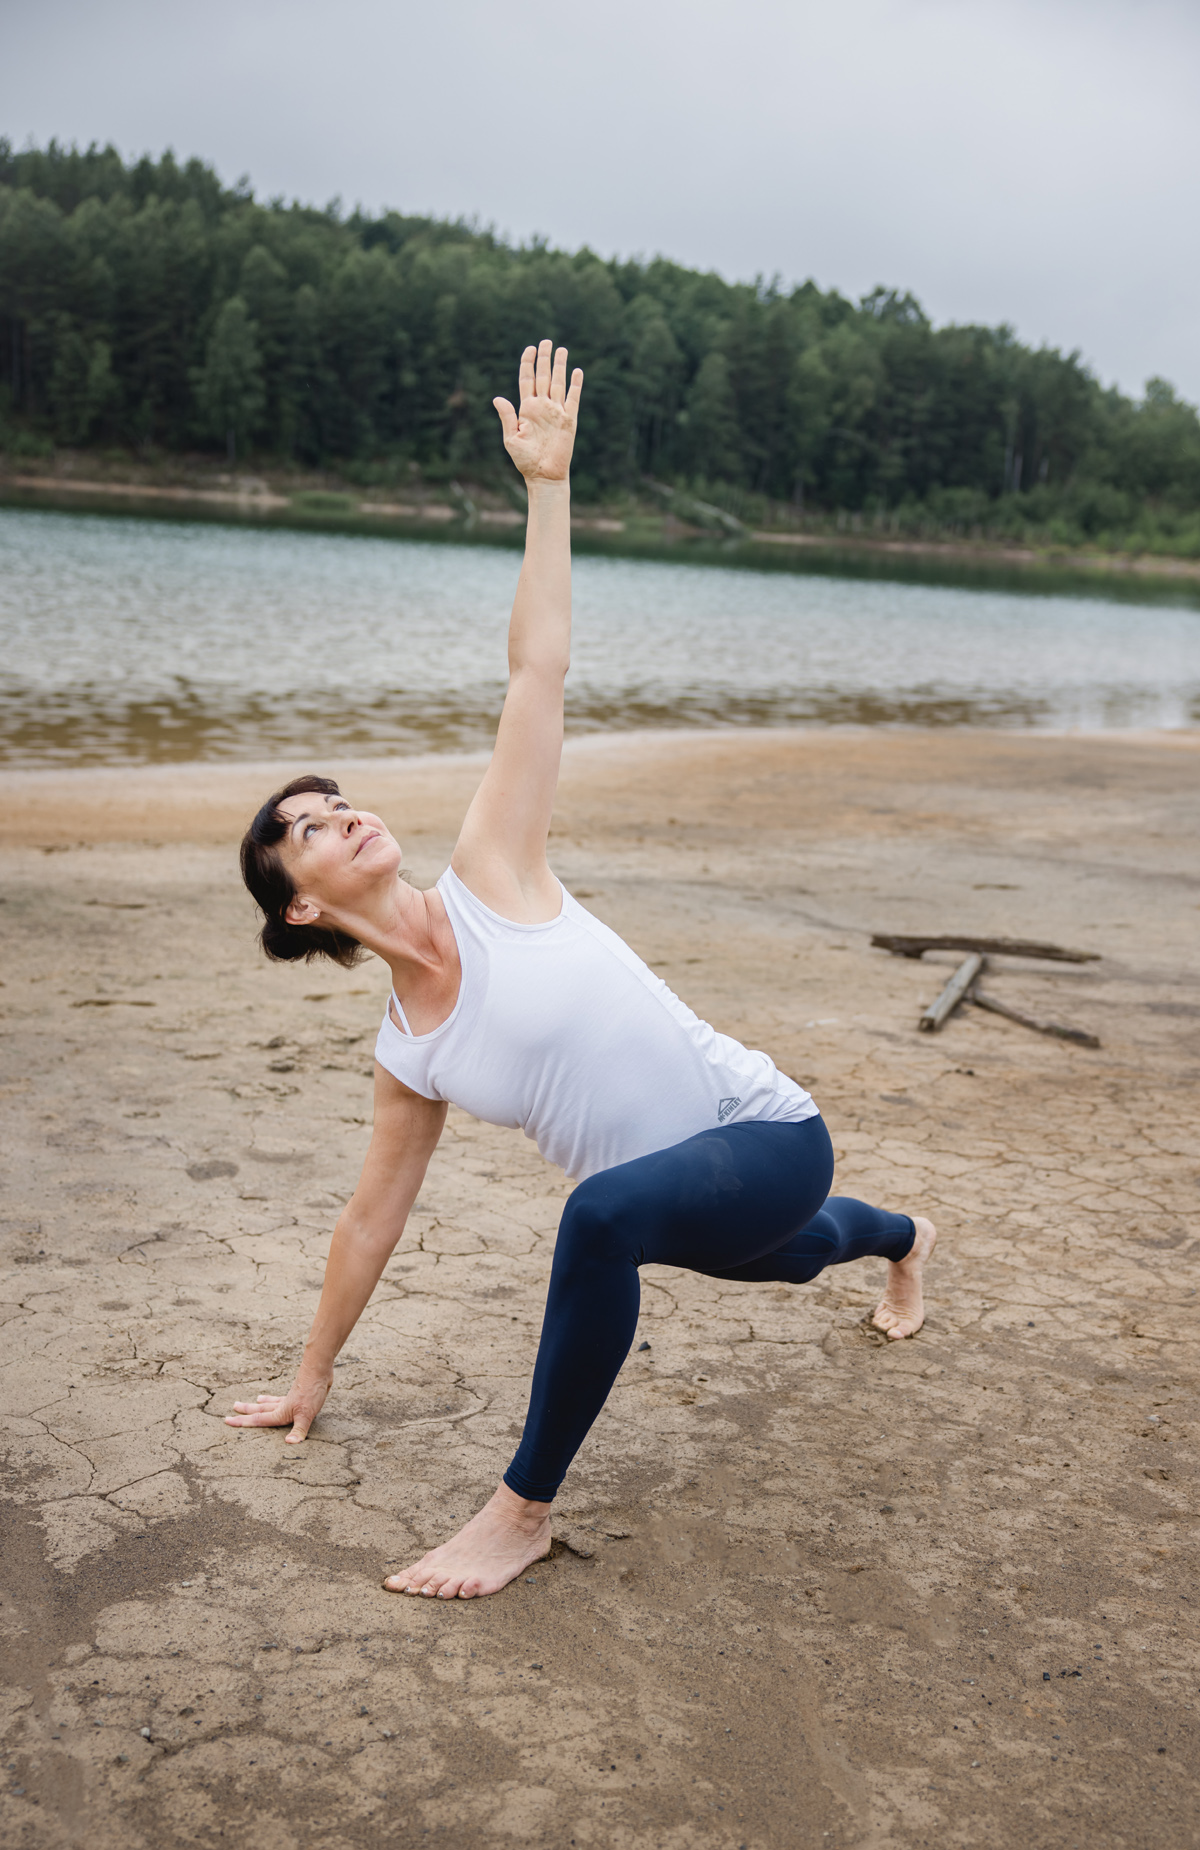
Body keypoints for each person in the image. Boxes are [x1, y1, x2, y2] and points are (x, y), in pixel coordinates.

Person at [228, 340, 936, 1601]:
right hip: (696, 1205)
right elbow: (370, 1219)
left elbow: (535, 671)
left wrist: (547, 490)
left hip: (766, 1131)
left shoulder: (492, 864)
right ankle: (910, 1237)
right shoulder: (409, 1051)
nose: (344, 813)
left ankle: (521, 1512)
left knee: (602, 1214)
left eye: (339, 797)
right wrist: (311, 1373)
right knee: (794, 1252)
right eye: (310, 825)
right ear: (300, 903)